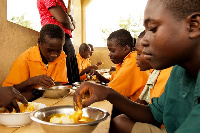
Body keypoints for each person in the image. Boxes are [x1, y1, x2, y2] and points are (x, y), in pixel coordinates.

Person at [74, 0, 200, 132]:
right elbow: (154, 114)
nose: (144, 40)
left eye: (152, 29)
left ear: (193, 25)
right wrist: (109, 93)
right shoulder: (178, 71)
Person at [3, 24, 68, 101]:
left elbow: (58, 84)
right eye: (49, 50)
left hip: (44, 98)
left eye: (58, 50)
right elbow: (7, 92)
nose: (54, 55)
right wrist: (31, 81)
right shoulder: (25, 60)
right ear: (39, 42)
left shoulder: (61, 57)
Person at [91, 29, 149, 102]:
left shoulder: (133, 60)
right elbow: (112, 81)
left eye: (112, 50)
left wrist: (90, 88)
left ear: (126, 48)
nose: (109, 54)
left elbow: (111, 91)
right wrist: (99, 76)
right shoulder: (123, 63)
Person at [37, 0, 80, 85]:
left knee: (72, 73)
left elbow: (70, 21)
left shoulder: (60, 2)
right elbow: (64, 20)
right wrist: (70, 23)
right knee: (64, 75)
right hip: (54, 38)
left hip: (65, 38)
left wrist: (69, 22)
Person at [135, 30, 172, 105]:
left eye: (139, 53)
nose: (136, 57)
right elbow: (142, 101)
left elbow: (154, 113)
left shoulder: (167, 73)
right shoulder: (155, 72)